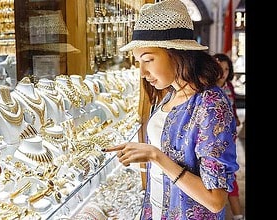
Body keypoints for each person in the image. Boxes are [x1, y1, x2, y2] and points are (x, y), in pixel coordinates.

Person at [101, 0, 239, 219]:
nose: (143, 72)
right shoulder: (170, 94)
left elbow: (215, 200)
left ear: (176, 53)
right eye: (139, 62)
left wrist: (155, 155)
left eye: (148, 59)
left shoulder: (210, 104)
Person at [213, 53, 244, 220]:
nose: (223, 73)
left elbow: (231, 107)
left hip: (230, 138)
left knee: (230, 174)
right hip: (216, 140)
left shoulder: (229, 86)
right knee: (221, 177)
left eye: (226, 69)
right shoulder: (209, 89)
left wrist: (236, 118)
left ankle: (238, 215)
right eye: (219, 68)